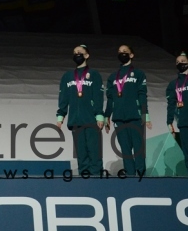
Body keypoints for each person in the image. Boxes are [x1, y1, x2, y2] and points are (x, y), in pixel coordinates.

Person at [56, 44, 105, 175]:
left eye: (80, 52)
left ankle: (96, 176)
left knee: (94, 151)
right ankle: (84, 176)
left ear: (87, 55)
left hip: (91, 119)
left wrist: (99, 115)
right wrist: (60, 117)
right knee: (81, 152)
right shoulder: (67, 76)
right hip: (75, 120)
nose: (77, 54)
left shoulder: (94, 74)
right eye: (74, 52)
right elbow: (63, 98)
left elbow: (98, 96)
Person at [104, 44, 151, 176]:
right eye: (119, 52)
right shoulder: (112, 77)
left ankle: (141, 175)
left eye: (125, 51)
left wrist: (145, 114)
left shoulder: (138, 74)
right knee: (125, 150)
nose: (122, 53)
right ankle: (130, 177)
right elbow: (110, 98)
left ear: (131, 55)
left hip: (135, 117)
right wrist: (107, 116)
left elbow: (142, 95)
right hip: (118, 118)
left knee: (138, 148)